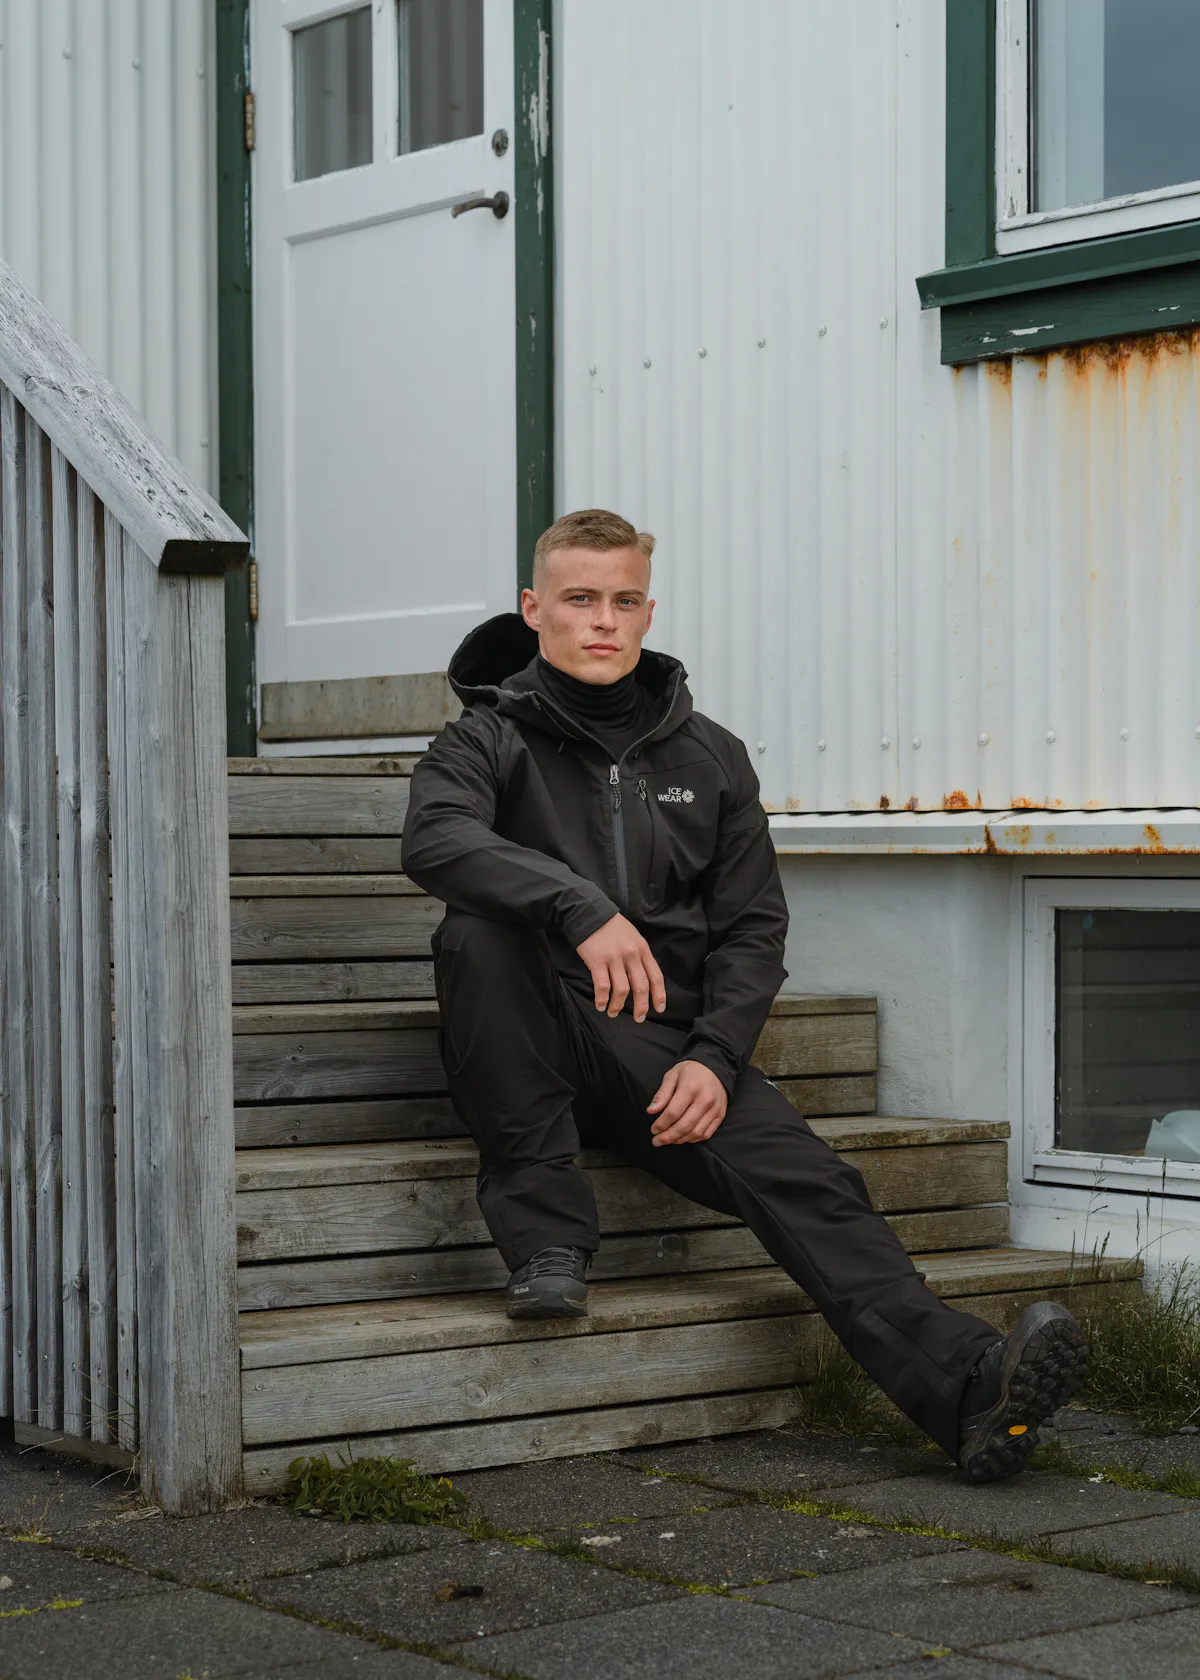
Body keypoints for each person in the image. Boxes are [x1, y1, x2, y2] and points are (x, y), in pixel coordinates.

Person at [401, 508, 1088, 1483]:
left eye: (624, 600)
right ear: (534, 609)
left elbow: (754, 929)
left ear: (649, 610)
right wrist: (577, 905)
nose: (603, 621)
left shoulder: (710, 756)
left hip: (663, 1049)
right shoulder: (485, 740)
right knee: (477, 927)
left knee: (812, 1177)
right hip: (534, 1027)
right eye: (580, 599)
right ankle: (548, 1241)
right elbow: (433, 843)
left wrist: (716, 1059)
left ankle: (970, 1388)